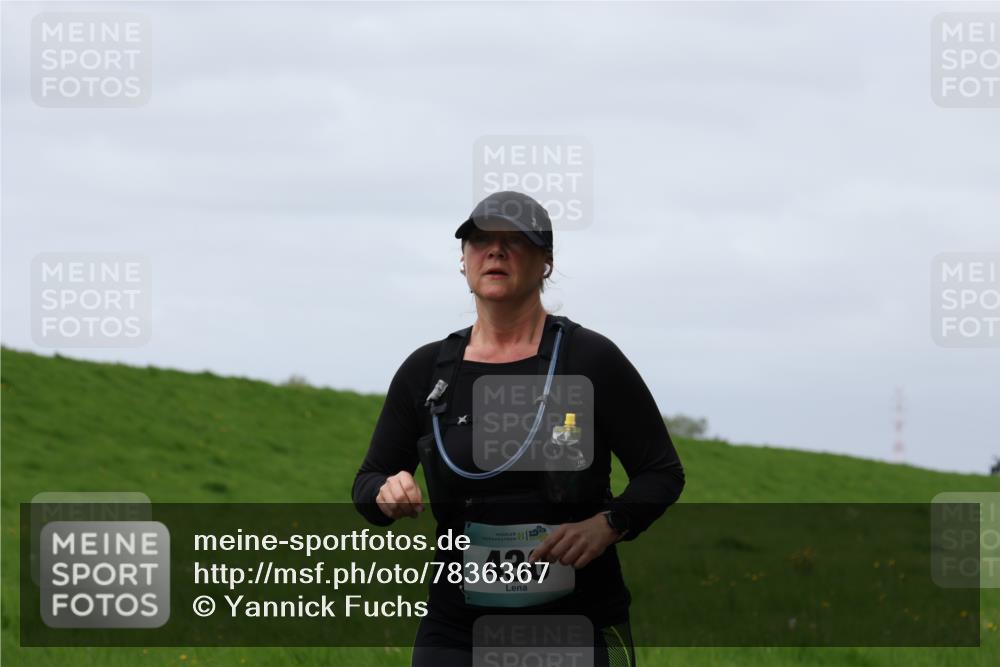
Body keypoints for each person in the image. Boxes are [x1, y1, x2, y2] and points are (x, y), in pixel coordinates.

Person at [352, 191, 685, 666]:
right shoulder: (428, 372)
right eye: (481, 240)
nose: (496, 251)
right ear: (463, 259)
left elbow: (662, 472)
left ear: (546, 262)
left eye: (516, 241)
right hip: (456, 627)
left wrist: (608, 524)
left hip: (577, 619)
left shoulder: (590, 360)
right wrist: (386, 491)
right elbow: (368, 483)